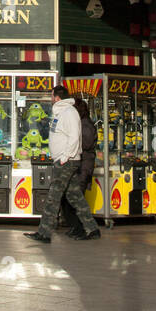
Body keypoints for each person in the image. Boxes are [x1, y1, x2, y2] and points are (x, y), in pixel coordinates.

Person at [25, 86, 100, 242]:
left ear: (57, 97)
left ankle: (44, 233)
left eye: (52, 96)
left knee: (53, 196)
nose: (51, 99)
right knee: (74, 196)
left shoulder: (69, 112)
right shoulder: (60, 112)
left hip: (66, 161)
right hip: (63, 160)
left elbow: (74, 136)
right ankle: (92, 229)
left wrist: (65, 156)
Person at [61, 96, 97, 237]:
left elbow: (86, 144)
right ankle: (76, 226)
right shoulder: (80, 123)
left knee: (76, 197)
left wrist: (71, 143)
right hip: (79, 165)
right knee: (70, 198)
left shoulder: (85, 124)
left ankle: (84, 227)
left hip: (83, 166)